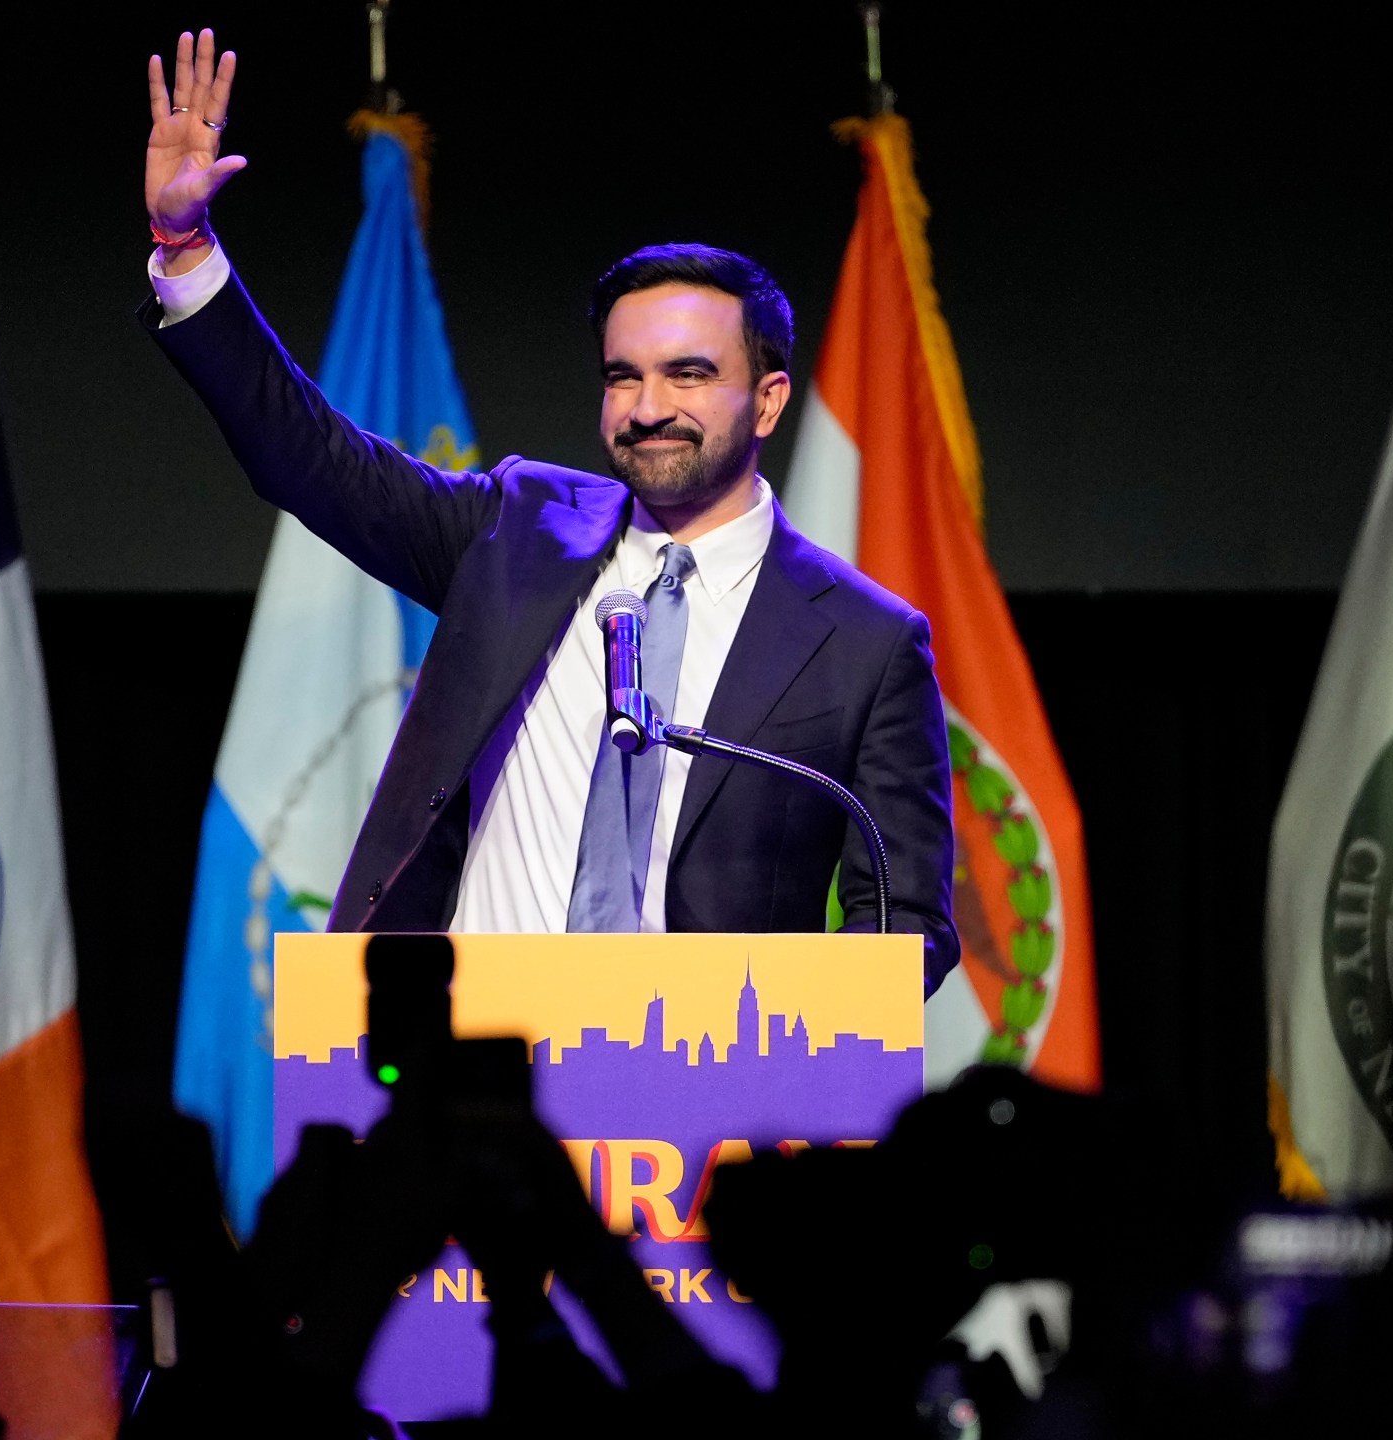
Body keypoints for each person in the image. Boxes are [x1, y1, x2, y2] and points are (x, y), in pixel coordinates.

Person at [139, 30, 957, 988]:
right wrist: (187, 252)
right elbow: (311, 458)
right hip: (467, 1059)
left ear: (768, 400)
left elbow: (906, 924)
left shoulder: (865, 643)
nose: (648, 407)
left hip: (706, 1068)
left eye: (689, 374)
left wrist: (769, 1032)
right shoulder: (514, 533)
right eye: (623, 376)